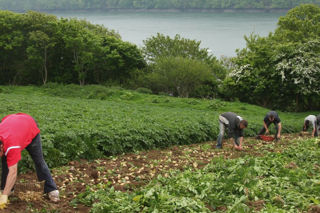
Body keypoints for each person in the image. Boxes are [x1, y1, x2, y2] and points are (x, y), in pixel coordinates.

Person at [0, 113, 59, 207]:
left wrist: (4, 196)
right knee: (5, 160)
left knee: (39, 161)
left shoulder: (11, 146)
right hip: (13, 123)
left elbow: (13, 172)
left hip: (30, 127)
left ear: (2, 146)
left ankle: (51, 189)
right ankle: (6, 189)